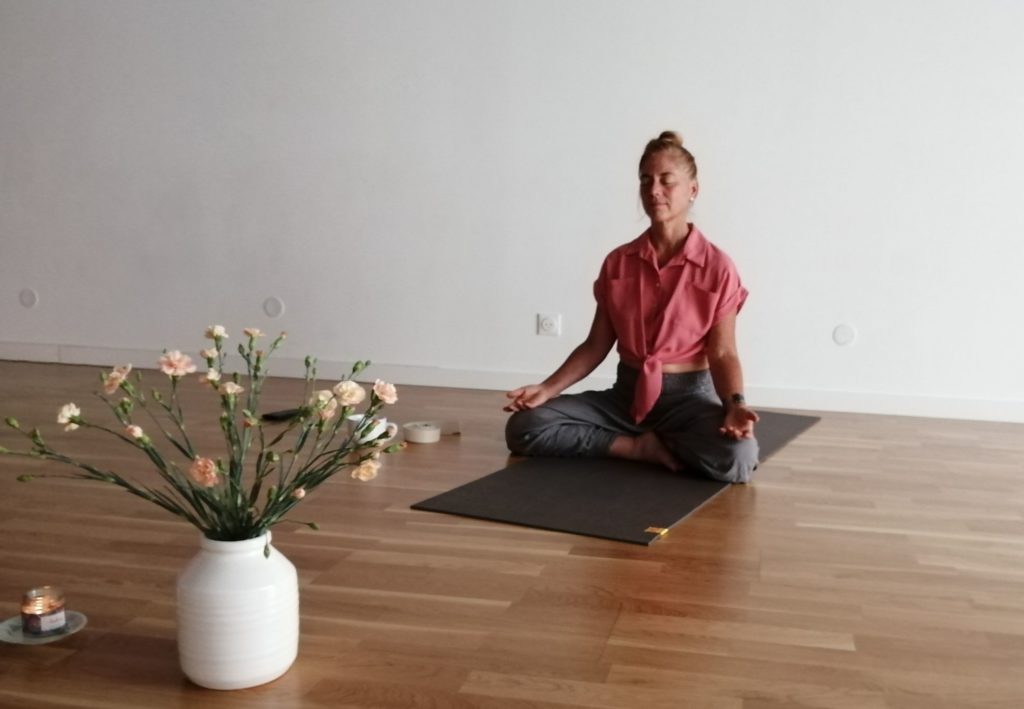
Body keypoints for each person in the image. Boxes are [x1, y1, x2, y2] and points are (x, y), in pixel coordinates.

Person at [503, 131, 759, 483]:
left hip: (689, 401)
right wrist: (546, 389)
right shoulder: (618, 262)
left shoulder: (718, 267)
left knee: (739, 459)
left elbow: (724, 351)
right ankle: (636, 448)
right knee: (525, 427)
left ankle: (659, 439)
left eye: (667, 181)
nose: (654, 191)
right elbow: (596, 345)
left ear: (693, 190)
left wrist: (734, 405)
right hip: (626, 397)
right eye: (646, 181)